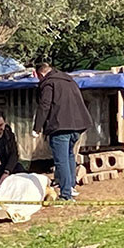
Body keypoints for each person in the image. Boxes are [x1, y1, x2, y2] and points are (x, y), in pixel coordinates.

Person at [33, 62, 92, 199]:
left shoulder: (49, 83)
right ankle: (71, 187)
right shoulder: (69, 80)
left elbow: (45, 106)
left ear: (40, 74)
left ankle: (66, 194)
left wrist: (37, 128)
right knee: (69, 155)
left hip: (60, 126)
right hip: (77, 126)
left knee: (61, 160)